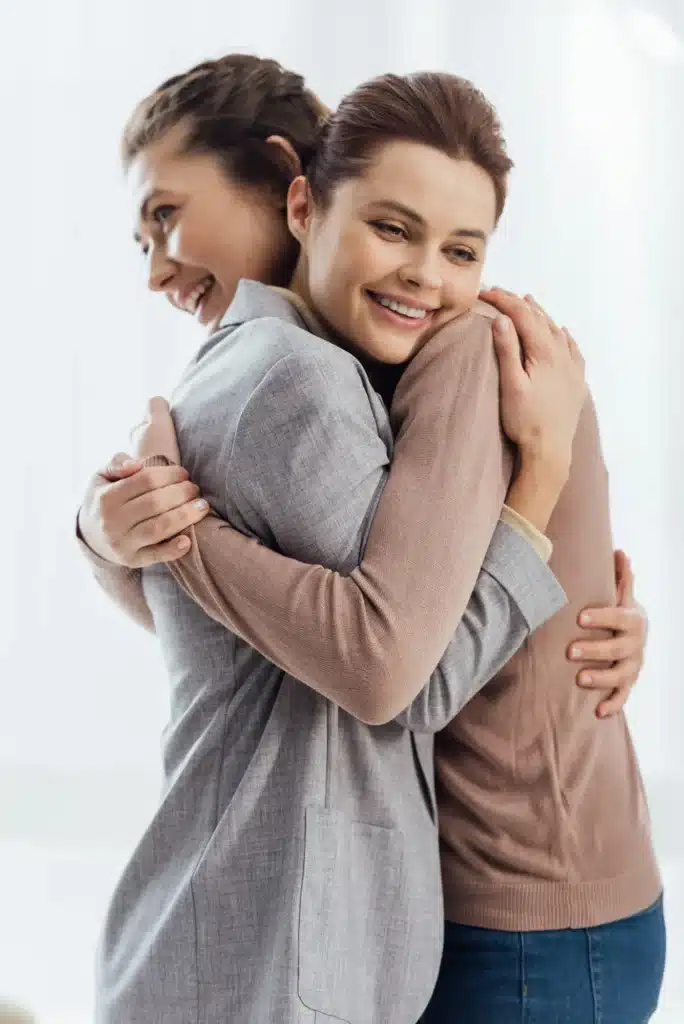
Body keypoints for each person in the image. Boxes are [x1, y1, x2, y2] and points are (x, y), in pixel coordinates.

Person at [76, 59, 659, 1023]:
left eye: (168, 215)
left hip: (530, 906)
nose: (157, 268)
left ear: (283, 183)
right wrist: (108, 529)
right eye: (393, 228)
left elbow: (389, 672)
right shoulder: (323, 369)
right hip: (468, 895)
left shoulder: (456, 353)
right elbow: (262, 643)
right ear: (310, 205)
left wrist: (190, 540)